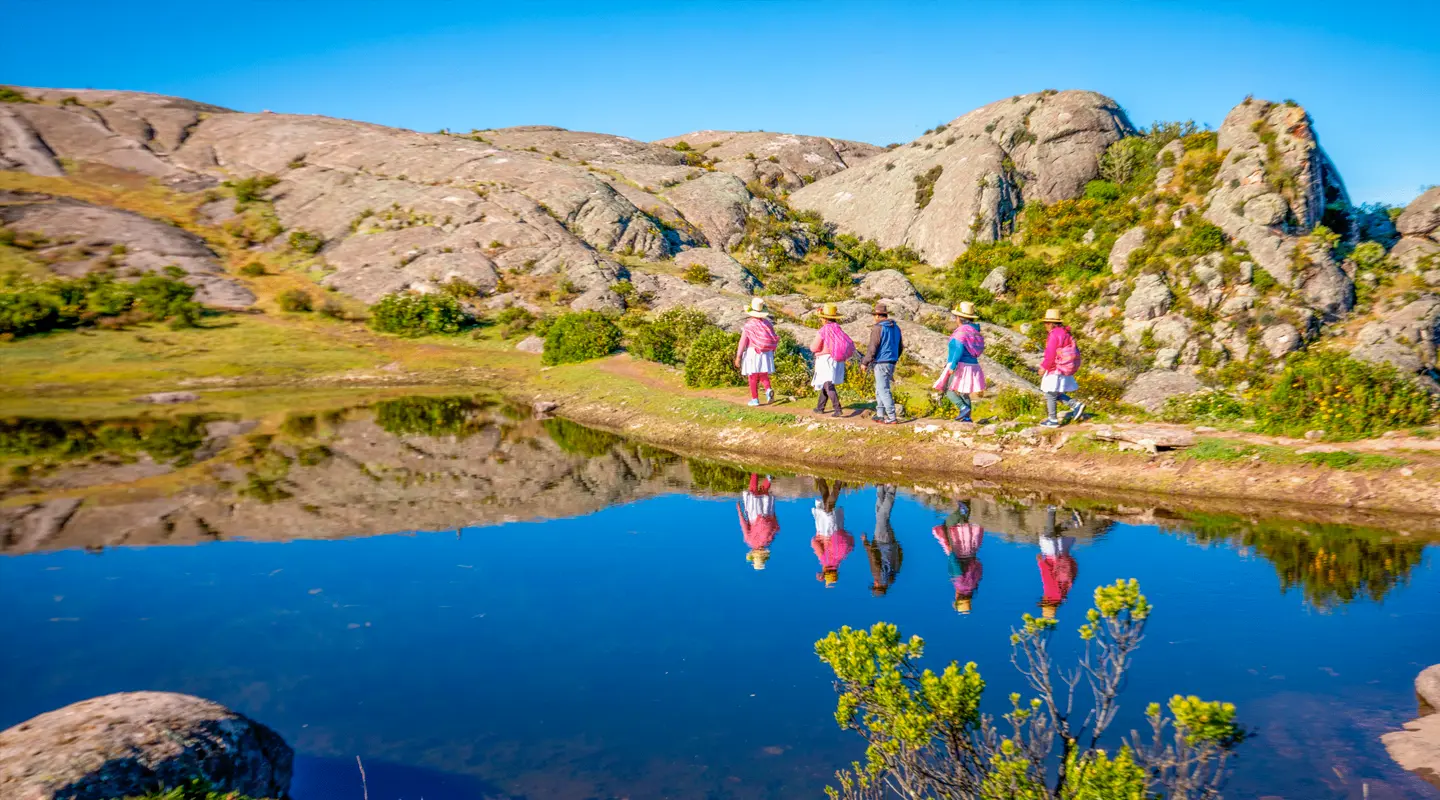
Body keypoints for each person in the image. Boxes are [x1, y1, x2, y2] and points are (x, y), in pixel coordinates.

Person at [933, 302, 986, 423]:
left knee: (947, 389)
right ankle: (967, 418)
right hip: (972, 364)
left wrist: (953, 365)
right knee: (964, 392)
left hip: (960, 364)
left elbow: (959, 349)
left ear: (959, 318)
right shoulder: (974, 331)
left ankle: (963, 408)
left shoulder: (961, 331)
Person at [932, 500, 984, 614]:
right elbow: (955, 566)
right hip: (958, 552)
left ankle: (965, 507)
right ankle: (962, 510)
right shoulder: (960, 583)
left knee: (963, 528)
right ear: (957, 597)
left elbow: (980, 567)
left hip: (971, 551)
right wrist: (951, 552)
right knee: (948, 525)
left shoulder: (974, 583)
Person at [1038, 308, 1084, 428]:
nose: (1045, 325)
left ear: (1052, 323)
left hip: (1055, 369)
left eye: (1047, 323)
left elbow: (1050, 354)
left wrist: (1043, 367)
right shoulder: (1065, 333)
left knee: (1050, 393)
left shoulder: (1054, 335)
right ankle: (1075, 405)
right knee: (1055, 393)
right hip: (1065, 367)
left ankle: (1052, 420)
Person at [860, 303, 905, 424]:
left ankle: (891, 416)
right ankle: (879, 414)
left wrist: (865, 362)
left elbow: (872, 347)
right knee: (880, 388)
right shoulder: (896, 328)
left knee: (883, 389)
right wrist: (894, 358)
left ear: (879, 315)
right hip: (891, 362)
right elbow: (900, 346)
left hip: (881, 362)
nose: (874, 318)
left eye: (875, 315)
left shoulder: (878, 328)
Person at [810, 304, 855, 417]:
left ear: (825, 318)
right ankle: (820, 407)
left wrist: (815, 350)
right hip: (837, 359)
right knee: (826, 382)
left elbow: (814, 347)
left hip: (826, 360)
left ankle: (837, 408)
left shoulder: (823, 330)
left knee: (828, 384)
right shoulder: (838, 329)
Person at [734, 299, 779, 407]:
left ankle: (755, 399)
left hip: (753, 352)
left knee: (752, 376)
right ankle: (768, 391)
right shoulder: (767, 323)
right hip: (766, 353)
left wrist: (738, 357)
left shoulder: (749, 325)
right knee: (764, 374)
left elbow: (743, 342)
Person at [1037, 505, 1079, 618]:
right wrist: (1041, 562)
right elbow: (1047, 577)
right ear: (1048, 602)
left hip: (1063, 558)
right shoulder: (1051, 594)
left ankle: (1073, 523)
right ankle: (1052, 509)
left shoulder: (1063, 593)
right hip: (1052, 558)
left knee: (1053, 533)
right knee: (1048, 535)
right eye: (1043, 602)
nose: (1042, 598)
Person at [811, 477, 853, 587]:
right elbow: (815, 544)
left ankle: (821, 479)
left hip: (838, 528)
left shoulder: (839, 559)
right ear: (826, 571)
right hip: (825, 531)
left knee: (827, 503)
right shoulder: (825, 559)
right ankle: (838, 482)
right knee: (828, 507)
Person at [863, 484, 904, 596]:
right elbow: (872, 559)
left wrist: (897, 544)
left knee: (878, 513)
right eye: (875, 585)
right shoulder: (878, 576)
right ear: (878, 586)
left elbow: (900, 556)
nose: (874, 583)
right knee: (882, 517)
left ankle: (881, 487)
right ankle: (892, 489)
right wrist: (865, 543)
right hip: (881, 542)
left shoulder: (893, 574)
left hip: (891, 542)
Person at [737, 473, 780, 570]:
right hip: (755, 516)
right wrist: (739, 511)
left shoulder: (769, 541)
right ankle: (754, 472)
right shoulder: (749, 541)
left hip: (768, 515)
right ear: (753, 552)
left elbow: (775, 527)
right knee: (753, 492)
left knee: (764, 492)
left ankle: (768, 479)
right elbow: (744, 525)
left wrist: (773, 514)